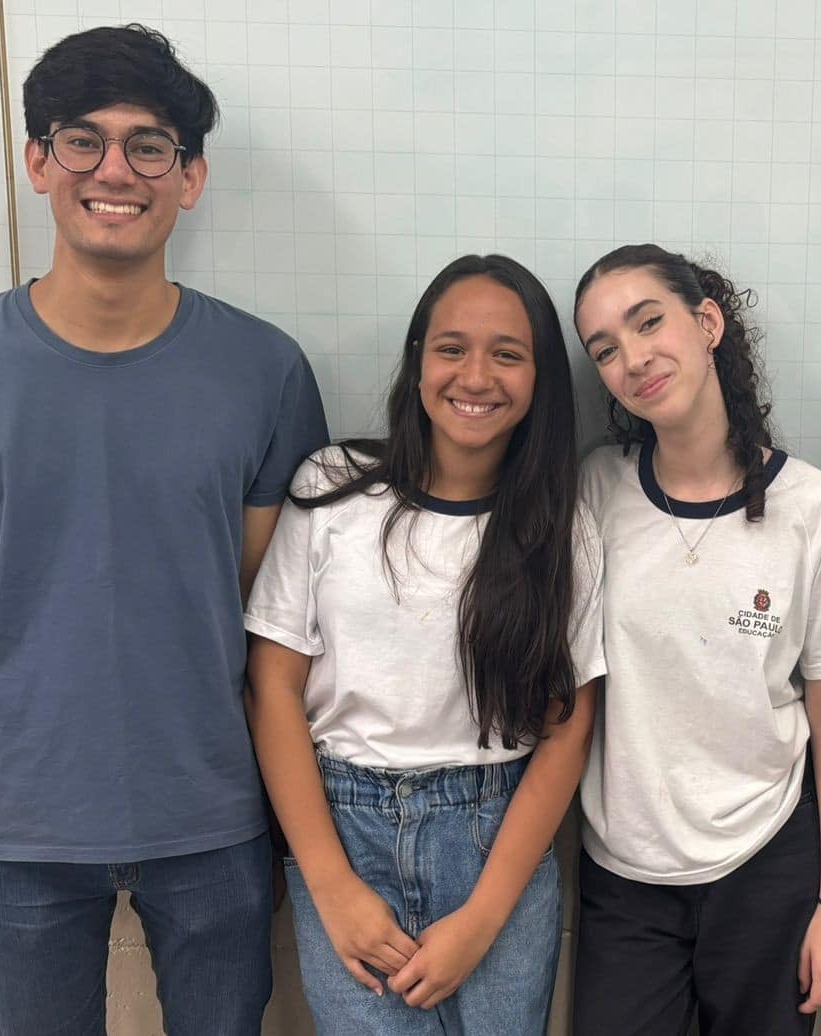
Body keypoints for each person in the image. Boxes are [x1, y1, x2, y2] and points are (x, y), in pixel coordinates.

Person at [0, 24, 328, 1035]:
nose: (114, 170)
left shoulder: (265, 371)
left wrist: (289, 830)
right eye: (82, 139)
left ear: (190, 177)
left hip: (215, 819)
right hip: (17, 828)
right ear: (39, 161)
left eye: (148, 145)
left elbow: (266, 621)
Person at [243, 254, 605, 1034]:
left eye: (507, 354)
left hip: (494, 843)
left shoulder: (561, 526)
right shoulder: (330, 486)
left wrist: (481, 919)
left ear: (539, 379)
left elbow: (567, 726)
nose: (475, 376)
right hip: (342, 833)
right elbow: (271, 688)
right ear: (416, 363)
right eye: (450, 348)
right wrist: (330, 883)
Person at [570, 244, 821, 1034]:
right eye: (604, 349)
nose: (633, 359)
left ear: (707, 323)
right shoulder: (597, 489)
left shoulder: (812, 507)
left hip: (769, 862)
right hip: (626, 874)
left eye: (648, 323)